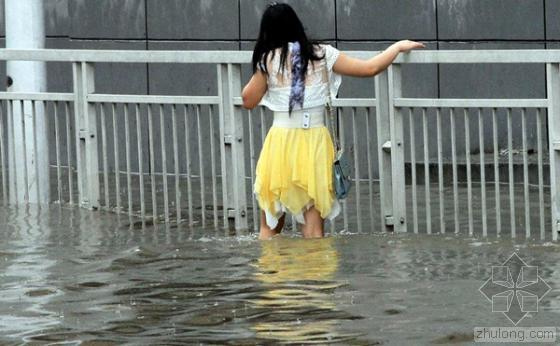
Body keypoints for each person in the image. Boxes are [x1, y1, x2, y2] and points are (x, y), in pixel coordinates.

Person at [241, 2, 425, 240]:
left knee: (271, 224)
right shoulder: (322, 54)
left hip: (281, 142)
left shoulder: (268, 60)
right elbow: (370, 68)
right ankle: (315, 275)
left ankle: (274, 275)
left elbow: (248, 100)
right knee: (314, 227)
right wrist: (398, 46)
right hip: (314, 141)